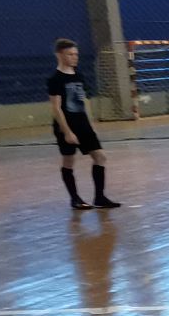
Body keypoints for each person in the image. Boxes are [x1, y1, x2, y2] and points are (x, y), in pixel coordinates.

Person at [48, 38, 120, 210]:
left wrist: (90, 122)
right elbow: (56, 108)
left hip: (82, 123)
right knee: (69, 160)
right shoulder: (55, 79)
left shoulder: (79, 75)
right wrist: (67, 131)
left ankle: (100, 197)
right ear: (59, 55)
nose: (74, 57)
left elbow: (84, 100)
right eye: (70, 54)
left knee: (100, 157)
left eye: (76, 54)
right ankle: (75, 199)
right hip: (67, 124)